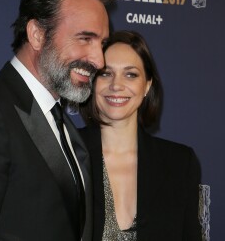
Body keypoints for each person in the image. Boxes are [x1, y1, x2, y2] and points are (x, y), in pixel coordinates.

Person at [0, 0, 111, 241]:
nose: (99, 60)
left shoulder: (59, 120)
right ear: (37, 34)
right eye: (85, 38)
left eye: (102, 43)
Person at [79, 30, 202, 241]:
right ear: (93, 82)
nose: (116, 85)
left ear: (147, 85)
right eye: (105, 73)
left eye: (130, 74)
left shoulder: (180, 163)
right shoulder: (65, 151)